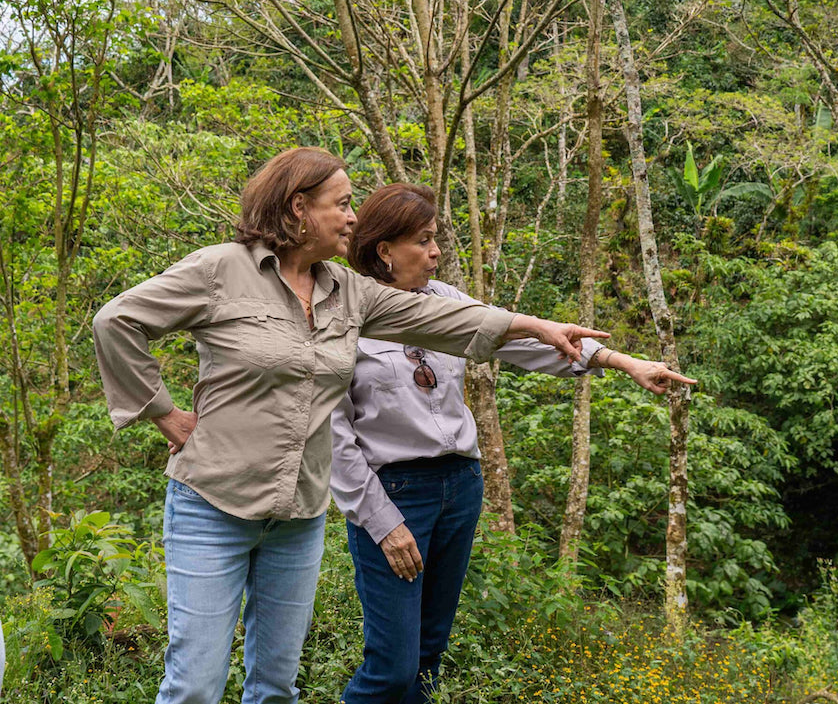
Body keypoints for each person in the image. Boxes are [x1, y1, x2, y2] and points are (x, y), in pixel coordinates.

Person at [91, 148, 609, 704]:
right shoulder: (221, 269)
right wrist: (164, 413)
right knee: (195, 685)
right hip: (213, 502)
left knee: (275, 687)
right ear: (299, 209)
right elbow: (118, 321)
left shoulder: (348, 290)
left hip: (299, 512)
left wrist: (532, 324)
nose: (353, 217)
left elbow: (441, 317)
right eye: (341, 204)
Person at [331, 183, 695, 704]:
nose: (436, 252)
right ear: (384, 249)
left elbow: (529, 340)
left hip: (459, 486)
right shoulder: (344, 315)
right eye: (423, 240)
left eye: (437, 239)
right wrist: (382, 522)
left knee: (428, 656)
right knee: (392, 666)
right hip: (393, 492)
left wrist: (625, 362)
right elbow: (335, 435)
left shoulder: (446, 302)